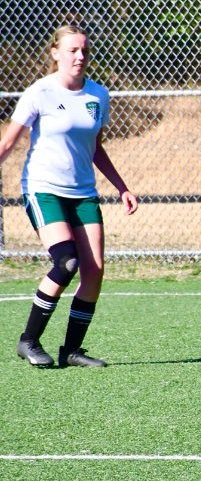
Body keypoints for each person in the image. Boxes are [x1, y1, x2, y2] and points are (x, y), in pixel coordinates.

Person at [0, 24, 139, 369]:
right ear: (55, 53)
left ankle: (71, 351)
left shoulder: (98, 96)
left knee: (94, 271)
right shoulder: (39, 92)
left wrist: (122, 186)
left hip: (83, 193)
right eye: (72, 50)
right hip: (43, 188)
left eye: (84, 51)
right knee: (67, 261)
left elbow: (95, 148)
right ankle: (28, 341)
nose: (79, 57)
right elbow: (7, 142)